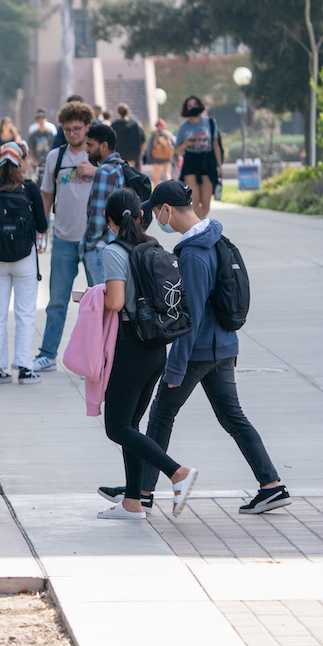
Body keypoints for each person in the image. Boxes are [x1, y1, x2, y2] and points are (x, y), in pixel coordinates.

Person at [117, 180, 289, 515]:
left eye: (157, 211)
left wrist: (175, 368)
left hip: (199, 351)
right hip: (224, 344)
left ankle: (143, 492)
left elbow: (189, 316)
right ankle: (272, 486)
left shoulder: (194, 253)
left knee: (161, 414)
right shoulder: (215, 238)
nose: (157, 219)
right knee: (232, 416)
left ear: (166, 209)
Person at [95, 188, 198, 520]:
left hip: (129, 345)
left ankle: (176, 472)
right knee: (132, 426)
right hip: (155, 347)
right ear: (141, 216)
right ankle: (132, 502)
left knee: (116, 427)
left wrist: (92, 297)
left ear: (109, 221)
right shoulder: (151, 245)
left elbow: (114, 302)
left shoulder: (114, 251)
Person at [31, 101, 100, 374]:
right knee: (57, 301)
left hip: (96, 241)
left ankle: (101, 358)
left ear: (87, 128)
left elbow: (121, 180)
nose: (73, 134)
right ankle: (48, 354)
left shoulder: (98, 155)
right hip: (63, 239)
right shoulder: (55, 157)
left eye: (78, 129)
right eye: (68, 130)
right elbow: (46, 193)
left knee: (101, 303)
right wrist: (41, 225)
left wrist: (96, 170)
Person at [0, 142, 48, 385]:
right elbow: (42, 225)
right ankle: (25, 369)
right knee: (25, 313)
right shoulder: (29, 188)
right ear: (20, 162)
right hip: (24, 259)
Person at [81, 123, 126, 262]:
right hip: (117, 244)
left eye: (90, 145)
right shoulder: (119, 167)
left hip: (101, 247)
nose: (86, 149)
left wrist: (88, 244)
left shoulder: (104, 172)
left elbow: (99, 215)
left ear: (104, 146)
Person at [173, 95, 223, 219]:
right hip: (191, 161)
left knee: (205, 203)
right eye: (190, 106)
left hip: (208, 161)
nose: (193, 107)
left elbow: (216, 145)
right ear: (186, 109)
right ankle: (196, 229)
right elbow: (176, 150)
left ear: (200, 105)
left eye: (195, 104)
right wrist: (187, 143)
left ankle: (196, 224)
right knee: (195, 200)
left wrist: (220, 166)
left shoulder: (210, 123)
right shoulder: (184, 127)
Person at [26, 108, 57, 183]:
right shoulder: (34, 134)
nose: (41, 121)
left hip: (47, 159)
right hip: (37, 161)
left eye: (42, 119)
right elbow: (31, 146)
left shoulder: (50, 133)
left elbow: (53, 146)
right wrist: (33, 159)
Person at [111, 103, 145, 170]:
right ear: (128, 111)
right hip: (133, 154)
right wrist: (141, 153)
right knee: (133, 173)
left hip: (119, 154)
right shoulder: (135, 124)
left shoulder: (114, 125)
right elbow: (142, 139)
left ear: (118, 112)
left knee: (122, 173)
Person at [146, 119, 176, 187]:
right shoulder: (168, 134)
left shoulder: (154, 135)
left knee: (156, 175)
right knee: (167, 174)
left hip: (155, 157)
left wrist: (149, 158)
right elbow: (174, 145)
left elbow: (149, 147)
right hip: (167, 157)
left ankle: (156, 190)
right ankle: (170, 188)